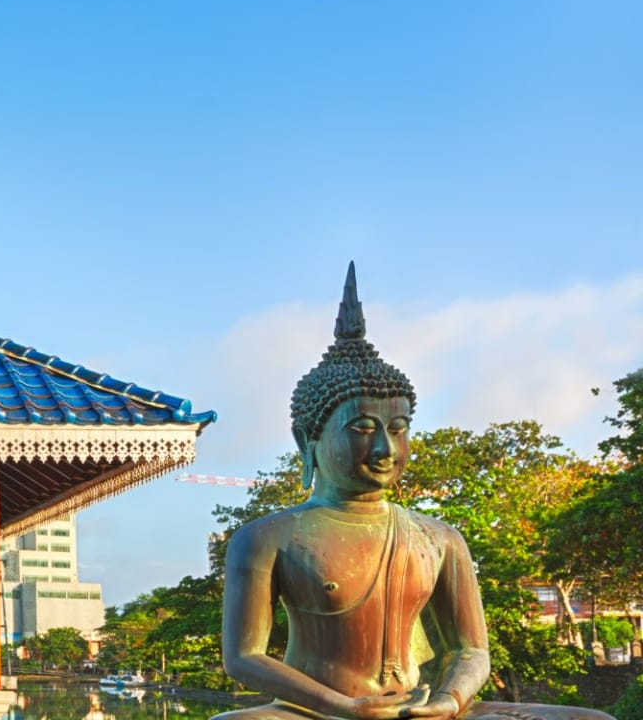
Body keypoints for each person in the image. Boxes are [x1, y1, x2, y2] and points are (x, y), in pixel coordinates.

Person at [215, 265, 611, 720]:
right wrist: (347, 707)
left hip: (416, 707)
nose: (385, 448)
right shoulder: (267, 538)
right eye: (363, 428)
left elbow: (470, 650)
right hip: (318, 712)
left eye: (398, 428)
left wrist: (450, 699)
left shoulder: (439, 538)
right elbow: (243, 657)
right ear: (307, 441)